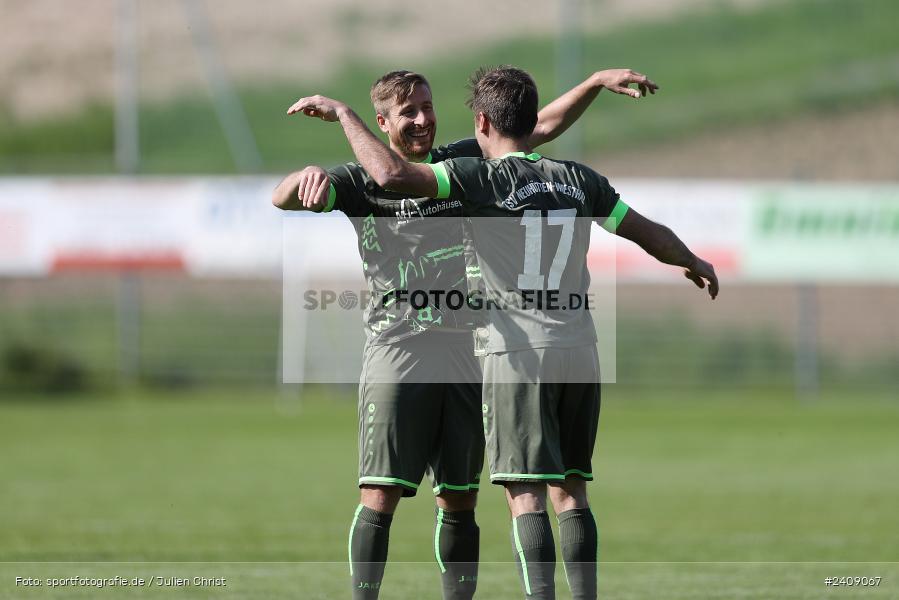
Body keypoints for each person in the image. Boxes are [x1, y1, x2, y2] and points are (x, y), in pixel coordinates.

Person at [288, 65, 717, 600]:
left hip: (510, 351)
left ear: (483, 122)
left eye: (427, 107)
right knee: (569, 491)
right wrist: (692, 258)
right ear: (384, 121)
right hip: (562, 345)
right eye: (409, 111)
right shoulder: (580, 179)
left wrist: (342, 115)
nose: (423, 119)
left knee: (516, 495)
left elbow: (395, 176)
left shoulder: (476, 175)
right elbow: (642, 227)